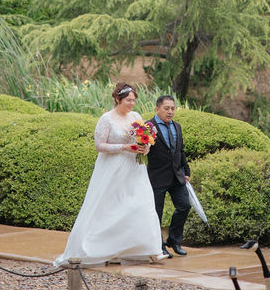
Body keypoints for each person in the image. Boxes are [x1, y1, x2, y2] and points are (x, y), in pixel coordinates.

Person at [54, 83, 168, 266]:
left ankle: (147, 249)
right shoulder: (106, 119)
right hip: (113, 168)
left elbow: (143, 139)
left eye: (133, 100)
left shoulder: (136, 117)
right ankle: (99, 248)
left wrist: (144, 147)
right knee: (109, 208)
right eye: (128, 100)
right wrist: (124, 147)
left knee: (141, 204)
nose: (131, 103)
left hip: (135, 169)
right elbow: (99, 145)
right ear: (117, 99)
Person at [146, 95, 191, 257]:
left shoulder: (177, 126)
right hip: (157, 176)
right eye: (166, 108)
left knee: (184, 205)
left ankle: (174, 240)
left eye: (172, 108)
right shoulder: (147, 127)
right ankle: (159, 246)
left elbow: (181, 150)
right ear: (157, 109)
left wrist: (186, 171)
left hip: (177, 176)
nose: (170, 112)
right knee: (156, 213)